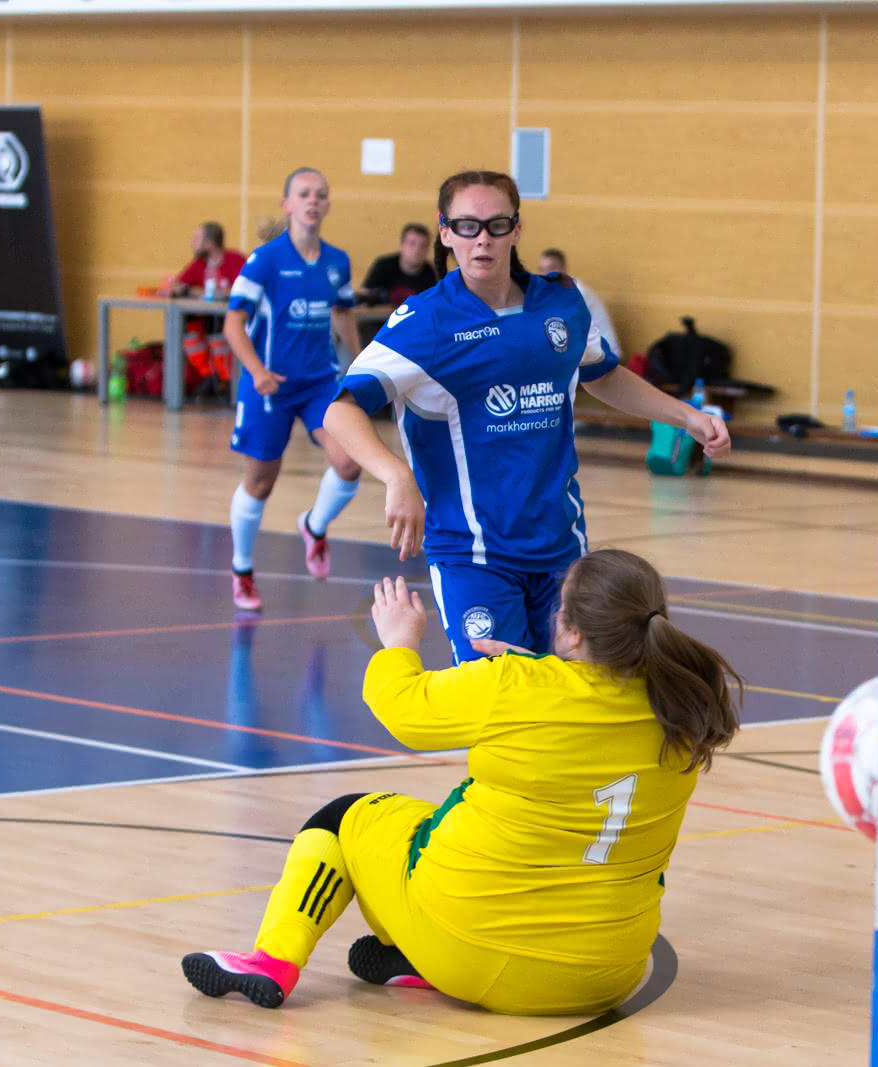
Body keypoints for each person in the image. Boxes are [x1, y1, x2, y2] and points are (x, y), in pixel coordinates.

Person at [181, 547, 743, 1014]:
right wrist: (529, 671)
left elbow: (401, 709)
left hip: (474, 949)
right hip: (606, 978)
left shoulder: (514, 685)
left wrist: (398, 642)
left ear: (571, 633)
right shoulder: (683, 713)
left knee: (344, 819)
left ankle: (273, 961)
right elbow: (588, 712)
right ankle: (416, 957)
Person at [323, 170, 730, 664]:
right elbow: (340, 410)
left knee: (578, 694)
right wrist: (395, 474)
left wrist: (684, 416)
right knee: (502, 704)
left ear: (516, 230)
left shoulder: (560, 302)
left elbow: (602, 374)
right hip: (472, 554)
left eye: (497, 225)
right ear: (446, 233)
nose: (483, 240)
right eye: (467, 226)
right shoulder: (425, 322)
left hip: (562, 546)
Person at [222, 167, 366, 612]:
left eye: (321, 194)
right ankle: (242, 569)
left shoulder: (336, 261)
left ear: (327, 204)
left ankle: (315, 526)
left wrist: (361, 364)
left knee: (348, 463)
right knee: (261, 482)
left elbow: (343, 313)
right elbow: (233, 323)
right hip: (270, 385)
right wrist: (257, 371)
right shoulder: (264, 260)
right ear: (288, 204)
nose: (313, 201)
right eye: (303, 194)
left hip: (319, 382)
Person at [537, 247, 623, 360]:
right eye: (542, 269)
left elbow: (561, 331)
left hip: (606, 356)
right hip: (589, 354)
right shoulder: (553, 292)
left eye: (551, 268)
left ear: (564, 269)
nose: (546, 274)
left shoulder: (577, 291)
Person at [360, 223, 437, 307]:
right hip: (378, 319)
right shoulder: (383, 266)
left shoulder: (431, 274)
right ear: (402, 246)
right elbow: (363, 297)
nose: (417, 250)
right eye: (412, 243)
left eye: (423, 246)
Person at [170, 222, 246, 300]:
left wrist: (193, 291)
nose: (192, 243)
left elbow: (242, 291)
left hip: (229, 311)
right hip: (205, 311)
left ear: (209, 243)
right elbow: (177, 286)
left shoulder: (235, 260)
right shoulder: (199, 263)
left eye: (196, 239)